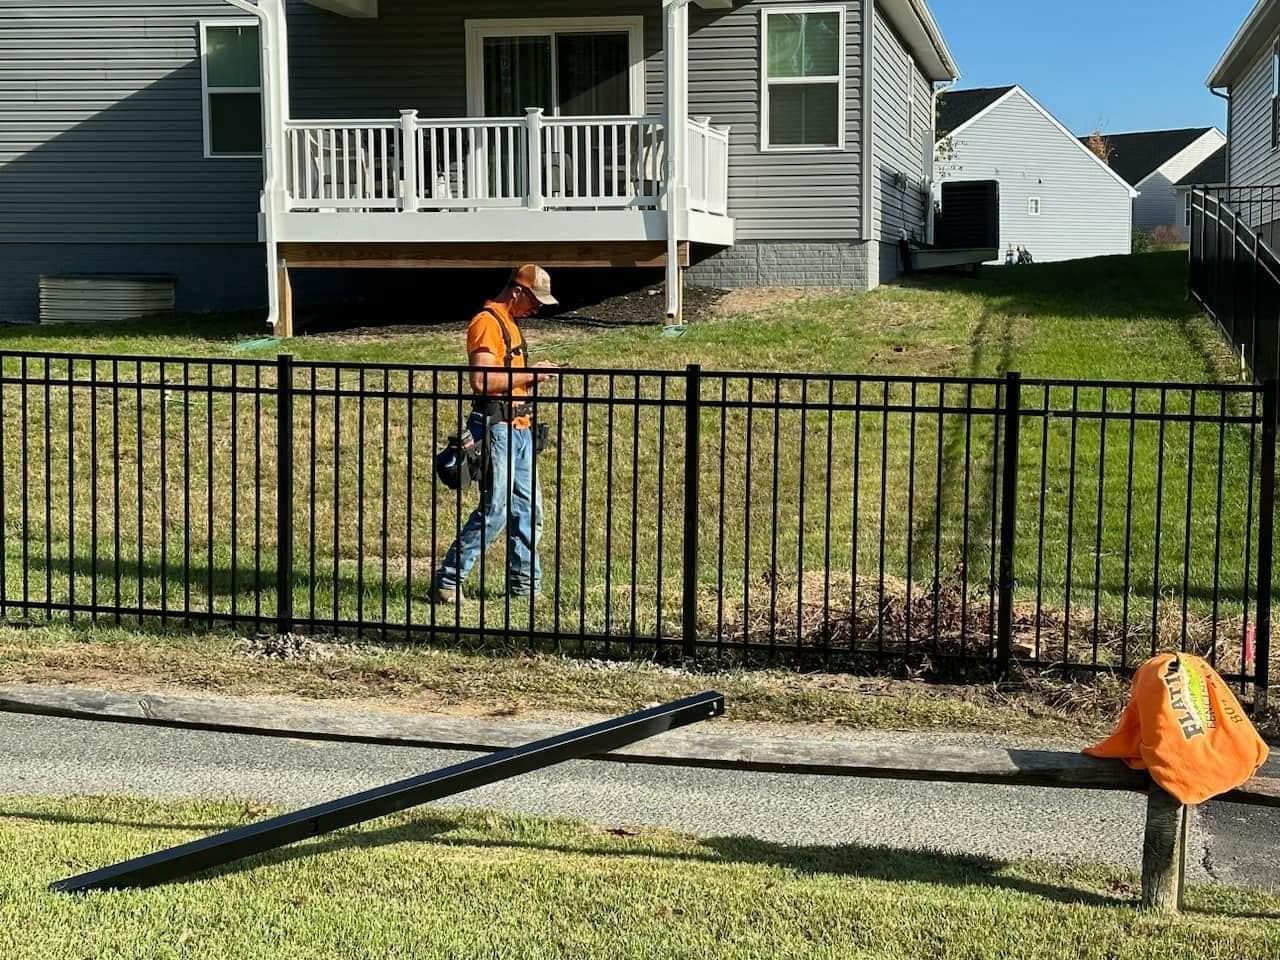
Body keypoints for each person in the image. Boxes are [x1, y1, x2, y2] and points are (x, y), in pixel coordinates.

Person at [432, 265, 560, 603]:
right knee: (497, 510)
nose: (537, 309)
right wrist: (531, 376)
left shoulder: (511, 325)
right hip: (497, 428)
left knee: (529, 510)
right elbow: (482, 381)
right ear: (517, 292)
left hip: (520, 427)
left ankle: (525, 587)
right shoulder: (487, 322)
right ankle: (448, 579)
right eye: (535, 301)